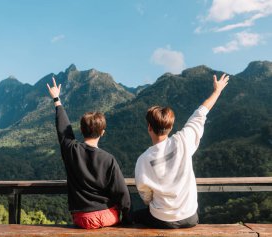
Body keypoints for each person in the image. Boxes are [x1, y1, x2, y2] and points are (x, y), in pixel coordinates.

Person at [134, 73, 230, 228]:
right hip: (189, 216)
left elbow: (144, 193)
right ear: (170, 127)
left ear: (149, 127)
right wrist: (217, 91)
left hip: (161, 218)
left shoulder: (143, 159)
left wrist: (152, 202)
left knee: (133, 217)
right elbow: (200, 113)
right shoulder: (183, 140)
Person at [47, 77, 131, 229]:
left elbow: (63, 130)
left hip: (82, 218)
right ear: (102, 132)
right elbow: (122, 193)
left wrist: (57, 100)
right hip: (107, 216)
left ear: (81, 130)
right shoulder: (109, 159)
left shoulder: (71, 150)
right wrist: (126, 218)